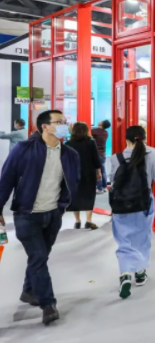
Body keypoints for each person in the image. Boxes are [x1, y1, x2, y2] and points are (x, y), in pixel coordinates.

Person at [0, 110, 79, 324]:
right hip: (27, 215)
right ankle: (48, 303)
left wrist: (62, 207)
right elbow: (6, 179)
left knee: (40, 257)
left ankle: (28, 291)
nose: (65, 125)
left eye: (65, 121)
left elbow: (73, 181)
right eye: (59, 122)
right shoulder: (23, 149)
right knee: (38, 256)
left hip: (53, 214)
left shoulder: (70, 154)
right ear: (45, 126)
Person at [110, 126, 155, 299]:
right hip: (143, 204)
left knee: (124, 240)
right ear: (144, 138)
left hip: (121, 205)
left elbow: (113, 181)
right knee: (142, 239)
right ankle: (140, 274)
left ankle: (125, 274)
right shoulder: (153, 156)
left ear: (126, 140)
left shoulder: (116, 158)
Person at [66, 122, 102, 230]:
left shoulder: (68, 143)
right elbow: (95, 158)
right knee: (89, 195)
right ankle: (88, 221)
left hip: (73, 173)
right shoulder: (91, 142)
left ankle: (77, 221)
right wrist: (99, 171)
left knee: (75, 196)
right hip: (88, 173)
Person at [91, 120, 111, 193]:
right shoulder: (105, 133)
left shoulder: (95, 131)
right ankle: (104, 186)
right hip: (103, 154)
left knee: (97, 171)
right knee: (103, 171)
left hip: (96, 154)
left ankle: (99, 188)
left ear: (102, 123)